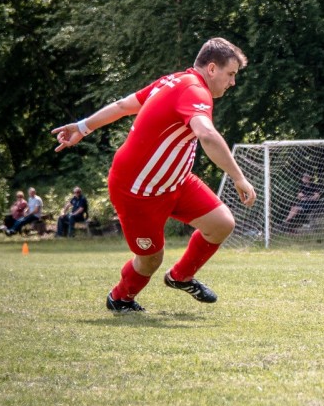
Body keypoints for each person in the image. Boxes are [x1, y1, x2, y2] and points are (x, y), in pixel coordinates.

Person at [51, 37, 257, 313]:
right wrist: (238, 176)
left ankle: (181, 277)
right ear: (211, 68)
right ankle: (120, 298)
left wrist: (83, 126)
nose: (232, 82)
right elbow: (206, 134)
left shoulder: (174, 81)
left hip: (176, 182)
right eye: (230, 74)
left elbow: (125, 105)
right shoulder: (195, 91)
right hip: (137, 191)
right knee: (150, 259)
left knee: (222, 223)